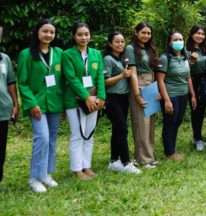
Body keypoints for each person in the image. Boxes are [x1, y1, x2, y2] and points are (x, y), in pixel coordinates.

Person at [17, 20, 64, 192]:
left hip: (55, 103)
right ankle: (34, 178)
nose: (49, 35)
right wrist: (31, 104)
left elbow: (64, 80)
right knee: (42, 138)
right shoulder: (26, 54)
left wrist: (65, 105)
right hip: (37, 103)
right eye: (45, 31)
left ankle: (46, 173)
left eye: (52, 32)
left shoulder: (58, 53)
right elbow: (22, 83)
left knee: (51, 139)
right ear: (37, 31)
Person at [62, 23, 105, 180]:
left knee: (89, 134)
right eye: (80, 34)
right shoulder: (67, 55)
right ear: (74, 36)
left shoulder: (96, 54)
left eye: (86, 34)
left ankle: (87, 166)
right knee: (77, 134)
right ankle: (77, 169)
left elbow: (100, 76)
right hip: (75, 100)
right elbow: (71, 78)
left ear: (90, 36)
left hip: (94, 99)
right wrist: (85, 97)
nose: (83, 37)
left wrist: (101, 97)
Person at [103, 32, 140, 174]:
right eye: (117, 41)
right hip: (112, 98)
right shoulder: (108, 59)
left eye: (122, 41)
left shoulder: (122, 58)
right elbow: (105, 81)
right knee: (123, 128)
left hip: (124, 97)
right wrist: (122, 75)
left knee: (117, 129)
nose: (120, 44)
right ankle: (126, 162)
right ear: (110, 43)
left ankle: (114, 161)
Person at [156, 32, 196, 161]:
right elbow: (160, 80)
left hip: (183, 94)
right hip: (171, 94)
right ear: (170, 43)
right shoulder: (165, 58)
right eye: (175, 39)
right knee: (170, 122)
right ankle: (169, 152)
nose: (178, 41)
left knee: (177, 122)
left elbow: (188, 77)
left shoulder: (185, 57)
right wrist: (166, 100)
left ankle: (172, 149)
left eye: (180, 39)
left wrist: (193, 95)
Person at [125, 22, 160, 169]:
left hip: (151, 84)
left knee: (150, 122)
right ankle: (142, 159)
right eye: (143, 32)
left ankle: (149, 156)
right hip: (139, 83)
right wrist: (137, 94)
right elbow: (132, 73)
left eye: (149, 33)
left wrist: (157, 89)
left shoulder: (150, 48)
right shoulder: (130, 48)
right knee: (141, 124)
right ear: (136, 32)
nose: (146, 36)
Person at [186, 25, 206, 151]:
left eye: (202, 34)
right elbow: (184, 71)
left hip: (205, 82)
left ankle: (199, 137)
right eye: (197, 33)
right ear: (191, 34)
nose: (200, 36)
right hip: (193, 82)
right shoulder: (186, 50)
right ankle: (197, 139)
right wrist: (191, 62)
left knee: (202, 111)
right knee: (196, 110)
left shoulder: (205, 49)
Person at [0, 26, 18, 193]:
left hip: (3, 110)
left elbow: (11, 82)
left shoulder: (4, 58)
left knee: (1, 149)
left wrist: (15, 104)